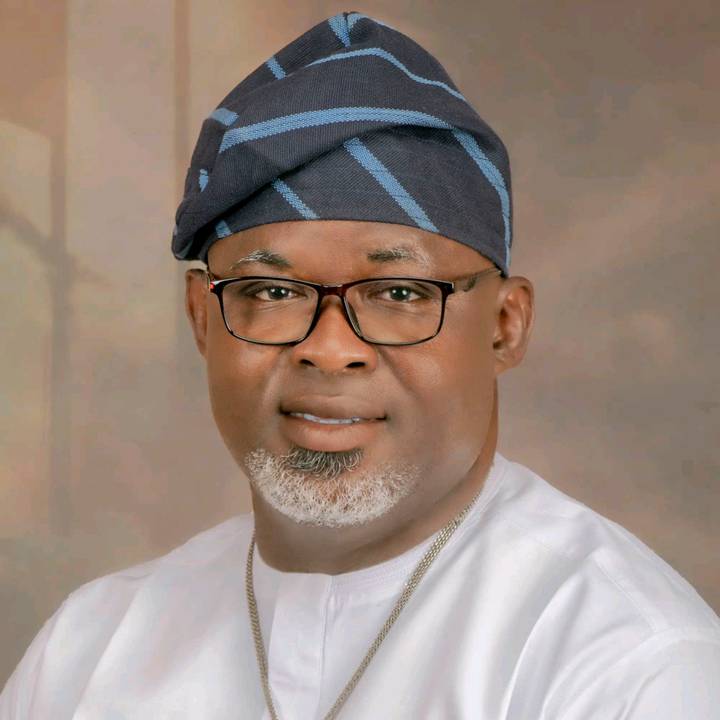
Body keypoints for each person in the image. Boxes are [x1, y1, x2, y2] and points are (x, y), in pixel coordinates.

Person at [2, 11, 719, 720]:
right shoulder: (86, 653)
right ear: (201, 318)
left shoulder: (628, 667)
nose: (329, 348)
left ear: (505, 326)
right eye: (271, 291)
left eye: (400, 293)